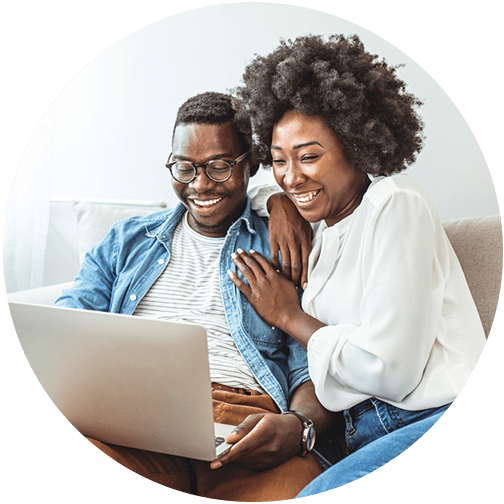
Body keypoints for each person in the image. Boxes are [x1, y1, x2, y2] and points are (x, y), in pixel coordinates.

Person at [228, 34, 487, 493]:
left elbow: (390, 369)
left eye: (309, 157)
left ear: (357, 143)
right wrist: (276, 201)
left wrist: (290, 316)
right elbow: (245, 190)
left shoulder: (395, 202)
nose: (293, 177)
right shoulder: (324, 231)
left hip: (424, 418)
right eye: (279, 161)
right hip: (353, 432)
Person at [55, 92, 335, 501]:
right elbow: (67, 330)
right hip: (134, 419)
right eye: (184, 168)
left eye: (219, 167)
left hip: (244, 424)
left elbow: (313, 364)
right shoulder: (126, 242)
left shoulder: (286, 245)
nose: (200, 184)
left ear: (251, 165)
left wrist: (299, 426)